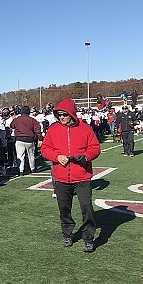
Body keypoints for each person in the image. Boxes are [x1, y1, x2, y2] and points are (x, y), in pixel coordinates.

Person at [41, 99, 101, 252]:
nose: (61, 117)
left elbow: (95, 148)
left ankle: (88, 237)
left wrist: (86, 156)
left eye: (64, 114)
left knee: (86, 206)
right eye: (58, 115)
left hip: (82, 176)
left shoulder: (85, 129)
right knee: (64, 208)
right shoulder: (53, 129)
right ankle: (67, 233)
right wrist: (57, 157)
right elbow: (45, 149)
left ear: (71, 114)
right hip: (61, 177)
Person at [10, 106, 43, 175]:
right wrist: (40, 138)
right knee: (31, 155)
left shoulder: (17, 119)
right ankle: (32, 169)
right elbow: (37, 129)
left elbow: (12, 125)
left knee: (20, 156)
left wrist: (14, 119)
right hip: (29, 139)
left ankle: (21, 170)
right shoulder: (32, 120)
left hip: (19, 139)